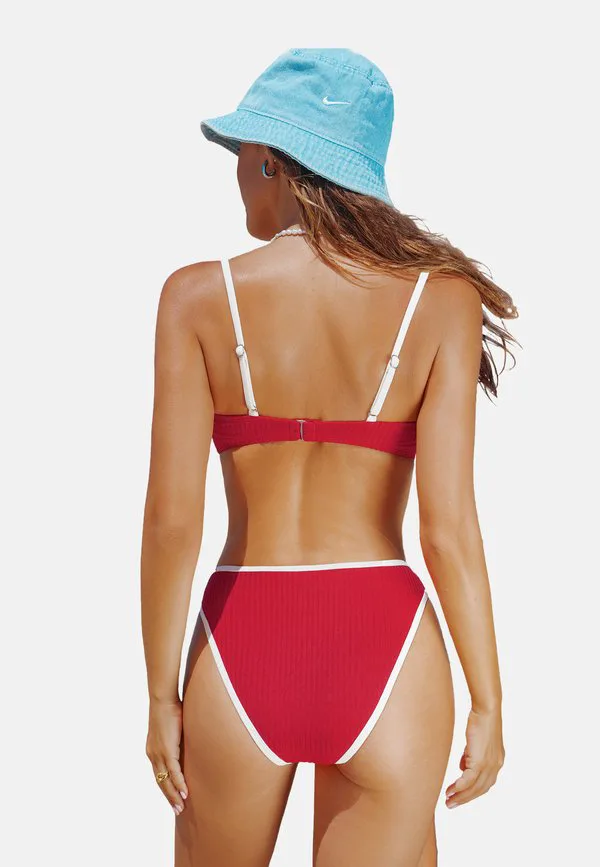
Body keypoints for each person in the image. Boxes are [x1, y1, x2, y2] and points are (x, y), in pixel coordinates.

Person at [141, 48, 515, 867]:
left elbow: (173, 521)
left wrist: (161, 693)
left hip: (239, 643)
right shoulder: (441, 301)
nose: (235, 171)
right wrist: (487, 697)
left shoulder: (195, 298)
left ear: (272, 160)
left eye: (242, 150)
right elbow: (448, 527)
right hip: (388, 649)